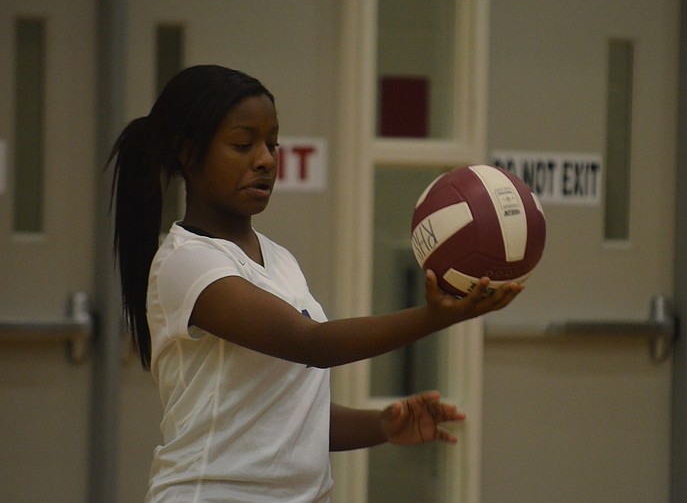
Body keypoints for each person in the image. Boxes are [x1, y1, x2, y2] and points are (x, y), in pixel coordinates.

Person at [109, 64, 523, 502]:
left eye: (272, 144)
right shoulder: (187, 263)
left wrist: (382, 424)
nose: (266, 159)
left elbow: (289, 415)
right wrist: (433, 317)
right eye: (243, 144)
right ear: (188, 154)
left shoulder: (280, 260)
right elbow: (311, 345)